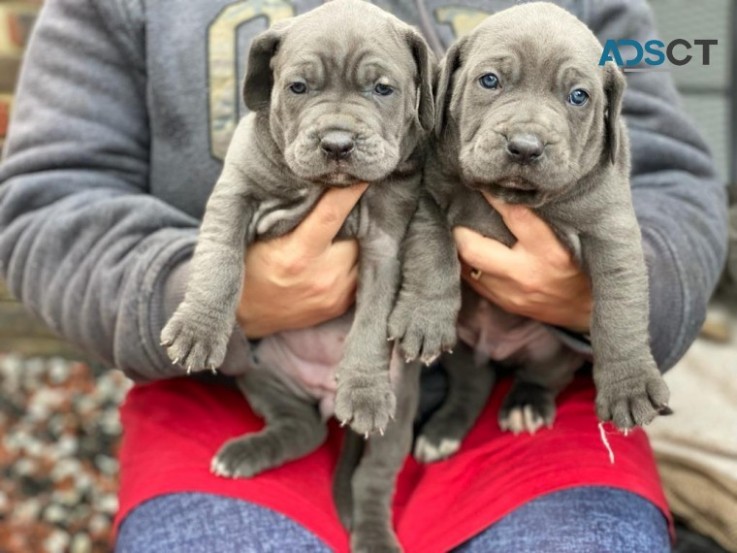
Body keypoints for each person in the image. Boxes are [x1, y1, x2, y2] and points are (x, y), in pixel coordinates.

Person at [0, 0, 726, 551]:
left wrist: (591, 296)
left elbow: (671, 179)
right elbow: (47, 196)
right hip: (231, 390)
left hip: (523, 404)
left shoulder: (596, 33)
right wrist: (213, 293)